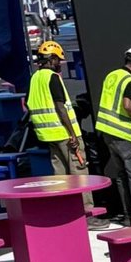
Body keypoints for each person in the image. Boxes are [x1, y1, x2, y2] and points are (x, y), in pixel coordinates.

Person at [95, 46, 131, 225]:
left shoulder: (112, 76)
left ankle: (127, 215)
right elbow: (127, 105)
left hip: (107, 132)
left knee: (121, 176)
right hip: (124, 134)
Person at [26, 41, 86, 173]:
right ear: (52, 59)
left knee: (60, 174)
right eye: (58, 60)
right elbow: (60, 108)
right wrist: (72, 134)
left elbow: (28, 103)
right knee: (79, 173)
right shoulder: (52, 77)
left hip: (48, 136)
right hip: (64, 134)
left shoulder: (34, 78)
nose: (60, 64)